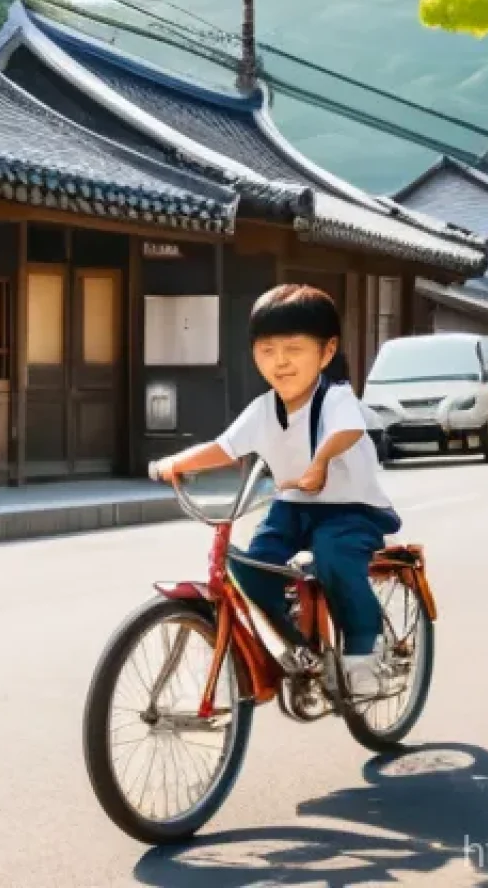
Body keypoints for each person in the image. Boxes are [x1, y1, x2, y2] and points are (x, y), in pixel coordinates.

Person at [152, 284, 402, 699]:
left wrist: (320, 462)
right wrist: (176, 463)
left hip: (351, 510)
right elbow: (224, 446)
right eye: (267, 350)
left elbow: (349, 429)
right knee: (252, 568)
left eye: (294, 349)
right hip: (292, 508)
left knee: (335, 557)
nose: (280, 362)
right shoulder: (263, 408)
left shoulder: (334, 397)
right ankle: (301, 645)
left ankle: (363, 653)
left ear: (326, 351)